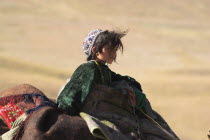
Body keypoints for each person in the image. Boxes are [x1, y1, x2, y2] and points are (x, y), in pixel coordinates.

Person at [56, 29, 179, 140]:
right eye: (110, 50)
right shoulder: (88, 68)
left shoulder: (103, 69)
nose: (114, 53)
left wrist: (132, 85)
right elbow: (72, 92)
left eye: (115, 50)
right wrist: (64, 111)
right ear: (95, 50)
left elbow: (118, 78)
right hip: (98, 112)